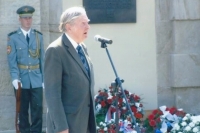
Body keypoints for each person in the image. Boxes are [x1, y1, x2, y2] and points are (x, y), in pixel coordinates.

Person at [44, 6, 96, 133]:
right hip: (67, 126)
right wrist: (61, 127)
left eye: (87, 23)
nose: (87, 27)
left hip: (85, 124)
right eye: (83, 23)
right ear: (69, 27)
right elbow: (52, 94)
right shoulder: (55, 50)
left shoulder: (82, 48)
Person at [7, 5, 44, 133]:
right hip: (21, 80)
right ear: (20, 19)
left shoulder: (39, 37)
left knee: (37, 111)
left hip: (37, 79)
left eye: (30, 18)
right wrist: (15, 79)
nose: (28, 21)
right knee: (22, 112)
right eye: (25, 18)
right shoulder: (13, 37)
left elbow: (42, 60)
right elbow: (12, 62)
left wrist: (43, 79)